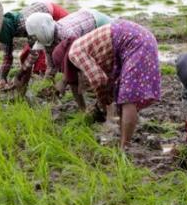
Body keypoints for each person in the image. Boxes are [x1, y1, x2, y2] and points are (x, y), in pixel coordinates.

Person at [67, 19, 160, 149]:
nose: (84, 87)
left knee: (128, 98)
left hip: (134, 42)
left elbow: (98, 80)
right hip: (138, 38)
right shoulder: (86, 50)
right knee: (122, 97)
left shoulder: (74, 54)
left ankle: (123, 149)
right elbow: (106, 81)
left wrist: (103, 102)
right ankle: (123, 141)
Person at [18, 9, 112, 98]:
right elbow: (51, 66)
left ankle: (102, 92)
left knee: (95, 63)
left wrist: (63, 82)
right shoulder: (47, 40)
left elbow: (77, 62)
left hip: (97, 22)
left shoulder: (66, 35)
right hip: (81, 17)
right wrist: (47, 84)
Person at [0, 2, 69, 89]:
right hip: (40, 24)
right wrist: (3, 78)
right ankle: (38, 84)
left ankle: (50, 84)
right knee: (26, 57)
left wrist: (19, 75)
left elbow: (33, 52)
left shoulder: (25, 25)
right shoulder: (8, 27)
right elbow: (7, 55)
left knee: (52, 56)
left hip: (54, 17)